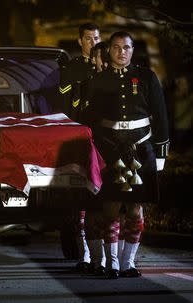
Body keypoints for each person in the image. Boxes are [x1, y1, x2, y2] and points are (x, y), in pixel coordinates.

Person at [90, 32, 169, 279]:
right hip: (110, 147)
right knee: (110, 209)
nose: (121, 52)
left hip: (141, 147)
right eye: (116, 47)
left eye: (126, 47)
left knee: (136, 211)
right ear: (109, 50)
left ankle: (128, 262)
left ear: (133, 50)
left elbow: (161, 114)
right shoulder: (98, 80)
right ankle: (112, 262)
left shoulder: (146, 77)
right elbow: (91, 120)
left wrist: (161, 152)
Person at [58, 22, 102, 274]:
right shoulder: (72, 68)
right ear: (80, 41)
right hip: (80, 136)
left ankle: (105, 253)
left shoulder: (107, 68)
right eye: (88, 39)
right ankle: (83, 249)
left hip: (103, 138)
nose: (93, 42)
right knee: (80, 198)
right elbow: (66, 106)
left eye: (96, 38)